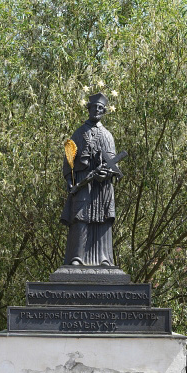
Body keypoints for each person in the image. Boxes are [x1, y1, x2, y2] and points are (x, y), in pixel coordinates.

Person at [60, 92, 122, 266]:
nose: (97, 110)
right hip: (83, 182)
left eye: (100, 108)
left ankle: (104, 258)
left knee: (103, 218)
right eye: (94, 107)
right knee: (80, 218)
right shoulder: (79, 133)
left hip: (102, 186)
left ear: (104, 111)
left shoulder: (107, 135)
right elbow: (69, 160)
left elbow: (113, 163)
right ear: (88, 109)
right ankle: (77, 257)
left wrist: (107, 173)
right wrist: (69, 180)